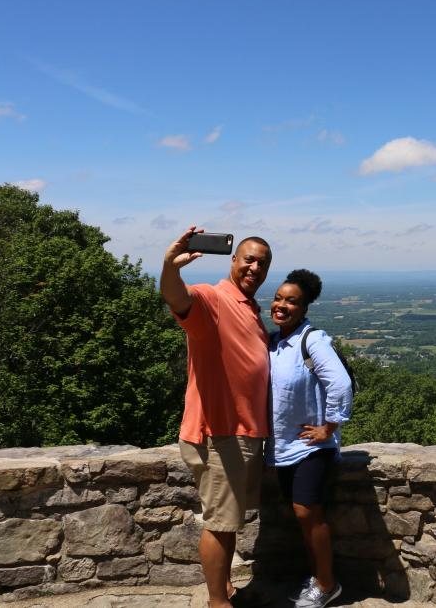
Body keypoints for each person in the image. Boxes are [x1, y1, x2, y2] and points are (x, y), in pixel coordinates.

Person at [161, 226, 272, 608]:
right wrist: (170, 268)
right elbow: (178, 298)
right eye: (249, 259)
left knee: (228, 523)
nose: (255, 267)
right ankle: (216, 602)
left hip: (239, 433)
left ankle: (223, 589)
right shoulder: (214, 298)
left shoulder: (247, 307)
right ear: (233, 261)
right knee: (221, 525)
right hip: (219, 434)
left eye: (262, 263)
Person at [267, 269, 353, 608]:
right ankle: (317, 577)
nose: (282, 305)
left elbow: (340, 383)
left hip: (310, 447)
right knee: (302, 515)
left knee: (307, 513)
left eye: (292, 301)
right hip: (283, 446)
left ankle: (327, 584)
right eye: (278, 298)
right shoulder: (273, 342)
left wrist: (329, 427)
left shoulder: (311, 340)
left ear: (304, 309)